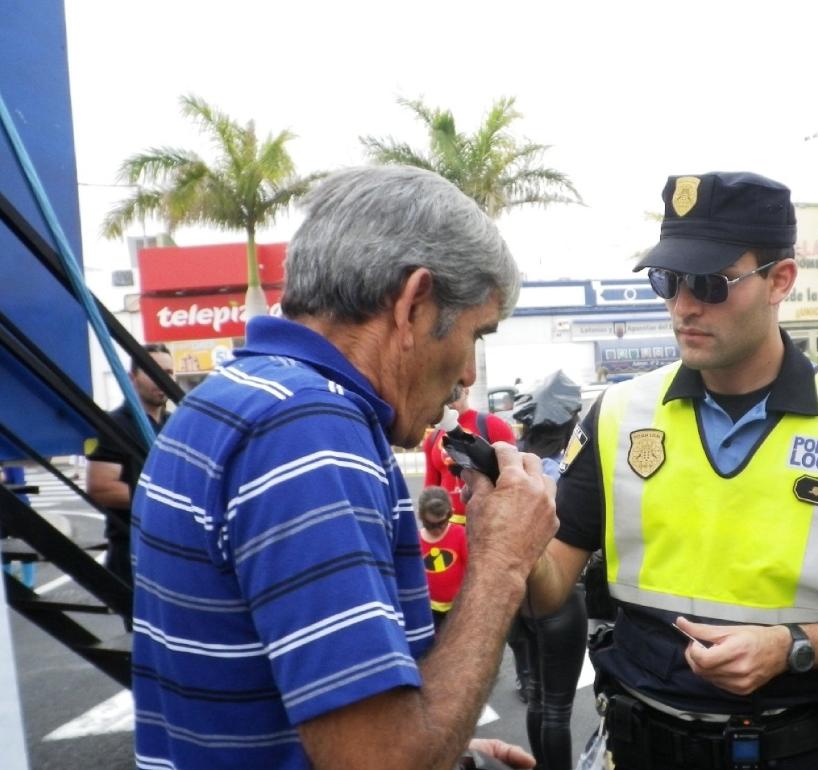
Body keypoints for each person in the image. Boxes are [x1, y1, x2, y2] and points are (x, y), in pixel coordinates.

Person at [525, 172, 818, 769]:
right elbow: (550, 585)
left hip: (793, 749)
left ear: (781, 280)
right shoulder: (616, 416)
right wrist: (505, 530)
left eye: (710, 283)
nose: (683, 306)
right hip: (639, 743)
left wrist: (793, 648)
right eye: (669, 281)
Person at [130, 166, 557, 770]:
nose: (467, 376)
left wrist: (445, 747)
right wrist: (503, 563)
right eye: (476, 334)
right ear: (413, 303)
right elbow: (380, 762)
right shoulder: (309, 433)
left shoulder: (230, 399)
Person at [511, 371, 590, 770]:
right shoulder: (566, 472)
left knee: (538, 696)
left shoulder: (512, 464)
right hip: (559, 595)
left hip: (515, 597)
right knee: (558, 709)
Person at [85, 342, 175, 588]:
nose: (161, 379)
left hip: (172, 550)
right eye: (152, 370)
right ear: (131, 377)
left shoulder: (175, 424)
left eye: (168, 373)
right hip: (132, 553)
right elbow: (101, 488)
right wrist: (167, 498)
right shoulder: (114, 424)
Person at [425, 383, 517, 524]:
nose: (450, 402)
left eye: (455, 394)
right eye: (446, 396)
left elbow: (513, 479)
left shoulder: (493, 425)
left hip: (486, 525)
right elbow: (431, 486)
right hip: (447, 528)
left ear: (466, 390)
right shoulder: (433, 438)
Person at [418, 486, 466, 632]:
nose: (437, 530)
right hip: (429, 608)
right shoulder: (417, 540)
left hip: (458, 606)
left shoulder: (459, 534)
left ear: (450, 513)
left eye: (441, 523)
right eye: (430, 525)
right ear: (421, 517)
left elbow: (473, 569)